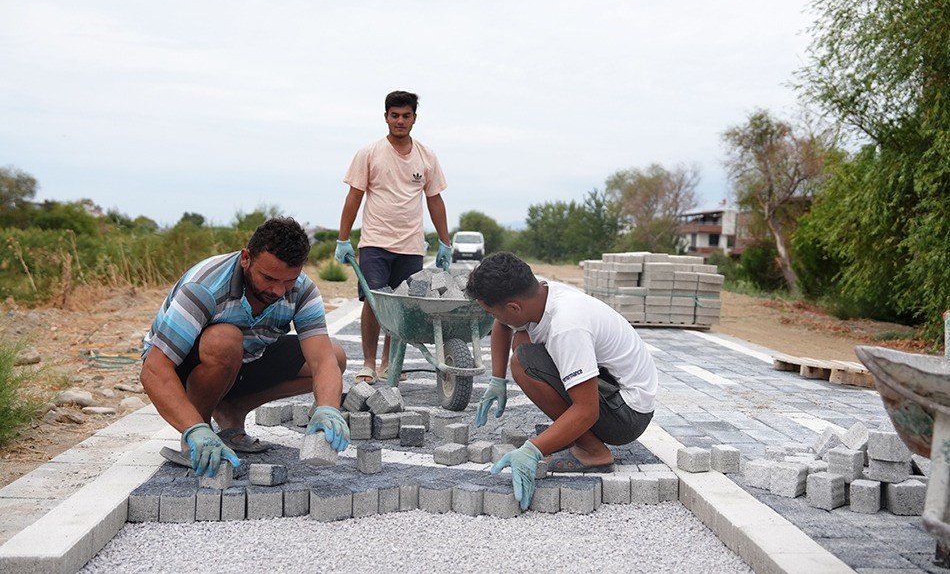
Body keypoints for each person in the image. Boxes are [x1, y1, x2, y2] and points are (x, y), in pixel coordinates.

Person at [140, 217, 350, 477]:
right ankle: (198, 432)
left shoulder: (301, 290)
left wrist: (327, 408)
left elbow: (322, 361)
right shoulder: (205, 286)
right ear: (246, 258)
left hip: (244, 361)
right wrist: (195, 429)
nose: (278, 290)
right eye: (269, 278)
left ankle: (232, 411)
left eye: (288, 281)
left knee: (335, 355)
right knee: (224, 340)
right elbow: (154, 368)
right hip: (184, 369)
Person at [465, 252, 657, 510]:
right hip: (614, 391)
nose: (491, 319)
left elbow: (587, 410)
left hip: (627, 414)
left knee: (523, 362)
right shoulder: (539, 294)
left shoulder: (566, 326)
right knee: (523, 341)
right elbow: (503, 323)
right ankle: (570, 433)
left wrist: (532, 450)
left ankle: (593, 452)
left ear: (513, 307)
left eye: (490, 310)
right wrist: (497, 379)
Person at [335, 90, 452, 385]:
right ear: (386, 117)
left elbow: (434, 200)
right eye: (395, 115)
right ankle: (368, 363)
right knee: (374, 302)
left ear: (414, 118)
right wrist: (343, 238)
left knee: (400, 307)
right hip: (375, 241)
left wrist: (445, 241)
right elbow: (354, 196)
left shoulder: (426, 157)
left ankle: (389, 363)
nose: (400, 121)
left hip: (411, 245)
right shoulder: (369, 153)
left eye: (406, 115)